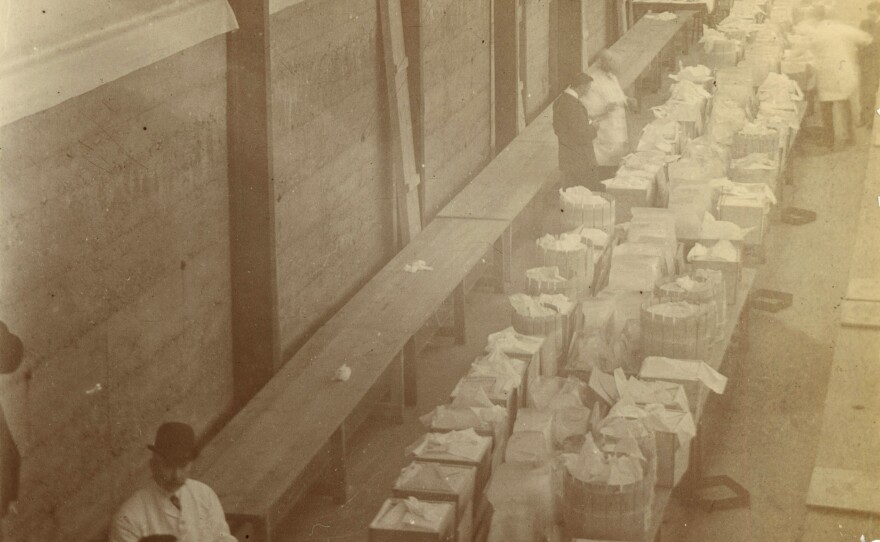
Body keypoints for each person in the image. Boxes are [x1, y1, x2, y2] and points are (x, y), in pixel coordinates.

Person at [111, 422, 236, 542]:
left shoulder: (204, 495)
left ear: (191, 464)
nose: (176, 475)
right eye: (168, 465)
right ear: (153, 465)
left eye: (183, 465)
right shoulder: (129, 517)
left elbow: (223, 539)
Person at [808, 4, 872, 148]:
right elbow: (867, 39)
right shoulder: (843, 29)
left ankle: (829, 139)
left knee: (826, 108)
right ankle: (848, 136)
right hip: (843, 72)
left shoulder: (816, 32)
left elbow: (807, 50)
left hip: (826, 75)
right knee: (844, 104)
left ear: (818, 18)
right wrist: (856, 53)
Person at [583, 50, 635, 181]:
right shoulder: (593, 81)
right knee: (604, 165)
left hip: (618, 129)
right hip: (605, 131)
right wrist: (604, 108)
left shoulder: (612, 77)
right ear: (604, 63)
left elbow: (618, 96)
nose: (617, 67)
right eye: (612, 63)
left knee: (618, 162)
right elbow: (587, 108)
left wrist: (627, 99)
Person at [553, 72, 601, 190]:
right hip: (581, 160)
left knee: (572, 192)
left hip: (568, 157)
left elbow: (562, 128)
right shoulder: (572, 105)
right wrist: (594, 127)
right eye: (588, 87)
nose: (588, 91)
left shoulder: (561, 100)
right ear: (581, 87)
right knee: (585, 192)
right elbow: (582, 135)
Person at [859, 2, 880, 126]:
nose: (869, 14)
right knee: (867, 92)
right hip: (867, 63)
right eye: (868, 12)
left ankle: (875, 120)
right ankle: (865, 118)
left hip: (877, 61)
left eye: (872, 11)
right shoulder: (864, 23)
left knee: (875, 94)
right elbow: (859, 41)